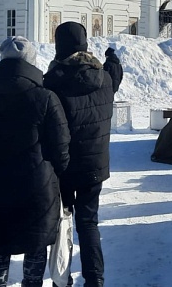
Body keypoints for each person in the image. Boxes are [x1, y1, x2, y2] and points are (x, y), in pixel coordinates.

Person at [0, 36, 70, 287]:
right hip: (37, 188)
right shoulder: (45, 98)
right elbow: (61, 147)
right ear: (32, 63)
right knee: (35, 248)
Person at [44, 22, 114, 287]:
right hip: (94, 165)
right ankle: (95, 279)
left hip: (62, 166)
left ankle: (61, 279)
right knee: (88, 223)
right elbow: (114, 76)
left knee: (60, 223)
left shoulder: (52, 80)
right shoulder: (105, 78)